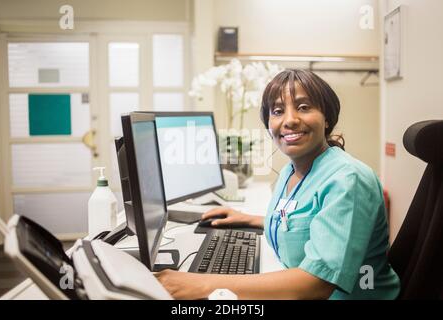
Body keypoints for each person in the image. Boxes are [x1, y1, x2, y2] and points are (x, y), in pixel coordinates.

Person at [155, 69, 400, 300]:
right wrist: (251, 219)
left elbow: (317, 283)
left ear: (327, 118)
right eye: (278, 110)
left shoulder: (347, 180)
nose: (290, 120)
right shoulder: (290, 171)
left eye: (304, 107)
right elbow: (304, 220)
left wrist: (201, 284)